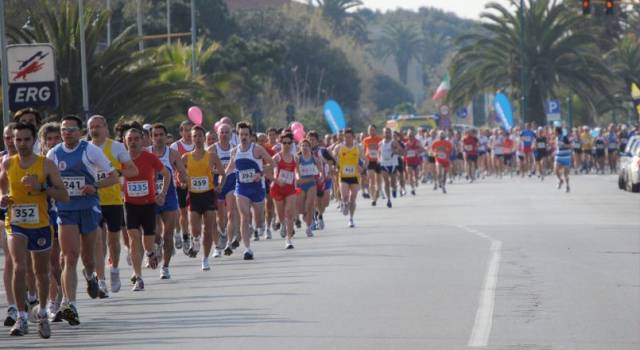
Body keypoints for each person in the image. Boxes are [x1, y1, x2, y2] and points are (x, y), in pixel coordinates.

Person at [46, 115, 119, 326]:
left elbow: (113, 176)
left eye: (71, 129)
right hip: (66, 210)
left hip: (88, 208)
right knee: (68, 256)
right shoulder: (54, 153)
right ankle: (70, 304)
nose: (67, 133)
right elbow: (48, 180)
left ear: (80, 132)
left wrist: (94, 186)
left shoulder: (90, 151)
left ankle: (90, 276)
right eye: (63, 129)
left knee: (88, 258)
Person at [0, 123, 69, 338]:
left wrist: (40, 188)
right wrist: (3, 199)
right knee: (19, 267)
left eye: (26, 139)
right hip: (16, 223)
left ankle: (41, 313)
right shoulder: (7, 164)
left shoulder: (46, 164)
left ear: (33, 141)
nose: (21, 144)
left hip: (40, 224)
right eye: (17, 139)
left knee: (41, 272)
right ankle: (21, 317)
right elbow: (2, 190)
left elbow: (63, 195)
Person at [87, 115, 139, 298]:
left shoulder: (116, 147)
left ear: (105, 127)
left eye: (98, 126)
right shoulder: (86, 148)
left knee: (113, 242)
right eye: (91, 126)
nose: (95, 129)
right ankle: (101, 281)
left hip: (114, 201)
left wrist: (118, 172)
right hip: (93, 201)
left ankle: (115, 269)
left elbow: (133, 170)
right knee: (98, 241)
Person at [122, 127, 169, 291]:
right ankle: (138, 277)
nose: (133, 142)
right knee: (134, 238)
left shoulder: (150, 157)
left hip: (149, 204)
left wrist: (162, 193)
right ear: (125, 141)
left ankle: (150, 253)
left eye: (136, 139)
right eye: (130, 139)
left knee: (147, 241)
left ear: (142, 141)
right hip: (129, 204)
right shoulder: (121, 158)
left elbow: (166, 174)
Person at [225, 122, 274, 260]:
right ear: (237, 135)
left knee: (258, 219)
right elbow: (230, 168)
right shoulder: (234, 151)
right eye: (241, 134)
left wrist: (261, 173)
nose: (244, 137)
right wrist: (220, 178)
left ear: (250, 136)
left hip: (257, 188)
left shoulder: (257, 149)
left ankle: (259, 225)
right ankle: (247, 249)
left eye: (246, 134)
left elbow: (272, 163)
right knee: (244, 217)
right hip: (241, 188)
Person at [183, 125, 225, 271]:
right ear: (191, 139)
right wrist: (181, 181)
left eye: (200, 136)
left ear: (204, 138)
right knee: (195, 229)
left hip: (208, 195)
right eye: (195, 136)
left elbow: (222, 173)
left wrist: (219, 185)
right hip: (194, 196)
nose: (198, 139)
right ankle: (195, 241)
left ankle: (205, 259)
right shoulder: (186, 157)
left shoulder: (211, 156)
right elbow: (179, 173)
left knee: (208, 229)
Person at [150, 123, 187, 279]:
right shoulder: (147, 153)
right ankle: (156, 246)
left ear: (166, 137)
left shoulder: (172, 154)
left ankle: (165, 267)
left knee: (168, 234)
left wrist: (184, 179)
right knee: (156, 233)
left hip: (169, 195)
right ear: (151, 138)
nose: (158, 138)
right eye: (155, 135)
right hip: (150, 196)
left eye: (161, 135)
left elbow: (182, 173)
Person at [215, 125, 241, 256]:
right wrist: (217, 171)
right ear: (218, 134)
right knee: (220, 217)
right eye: (222, 132)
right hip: (218, 185)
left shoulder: (235, 149)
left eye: (226, 132)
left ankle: (230, 243)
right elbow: (207, 168)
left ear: (231, 134)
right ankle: (223, 234)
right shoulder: (212, 149)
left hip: (231, 183)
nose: (224, 135)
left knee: (231, 213)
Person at [1, 123, 18, 327]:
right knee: (10, 260)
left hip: (32, 213)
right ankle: (12, 305)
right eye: (6, 137)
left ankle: (31, 296)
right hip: (6, 214)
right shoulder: (2, 160)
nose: (10, 141)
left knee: (28, 263)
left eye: (12, 136)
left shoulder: (34, 160)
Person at [170, 120, 195, 255]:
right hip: (180, 184)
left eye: (189, 130)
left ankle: (190, 236)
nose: (187, 133)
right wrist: (181, 176)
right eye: (184, 130)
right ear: (181, 132)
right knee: (183, 213)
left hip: (195, 184)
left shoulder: (198, 145)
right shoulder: (175, 146)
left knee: (194, 213)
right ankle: (183, 235)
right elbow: (172, 165)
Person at [269, 132, 298, 249]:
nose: (286, 145)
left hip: (290, 188)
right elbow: (268, 173)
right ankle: (282, 224)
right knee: (281, 216)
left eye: (288, 143)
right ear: (280, 143)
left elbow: (298, 173)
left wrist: (299, 179)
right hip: (278, 188)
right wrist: (276, 180)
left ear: (292, 144)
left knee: (289, 214)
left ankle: (289, 240)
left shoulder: (295, 158)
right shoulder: (276, 157)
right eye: (284, 142)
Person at [335, 129, 365, 227]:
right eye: (345, 137)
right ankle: (344, 203)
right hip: (343, 176)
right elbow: (333, 157)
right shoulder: (339, 147)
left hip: (355, 176)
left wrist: (363, 168)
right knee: (345, 196)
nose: (347, 139)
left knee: (353, 198)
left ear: (353, 137)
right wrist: (334, 166)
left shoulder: (358, 147)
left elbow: (366, 159)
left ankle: (351, 219)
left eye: (349, 137)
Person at [297, 139, 322, 237]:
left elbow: (320, 170)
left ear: (310, 147)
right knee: (301, 209)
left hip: (311, 183)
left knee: (309, 205)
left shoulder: (314, 158)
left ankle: (308, 227)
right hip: (301, 184)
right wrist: (298, 177)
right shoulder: (298, 158)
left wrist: (320, 176)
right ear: (300, 147)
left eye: (307, 146)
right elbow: (295, 170)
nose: (305, 147)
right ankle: (305, 217)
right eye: (303, 146)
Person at [379, 127, 403, 208]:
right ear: (383, 133)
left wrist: (395, 151)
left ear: (390, 133)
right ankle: (388, 200)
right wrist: (378, 159)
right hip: (384, 164)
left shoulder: (394, 142)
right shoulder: (380, 143)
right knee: (386, 182)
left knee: (393, 183)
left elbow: (401, 151)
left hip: (392, 164)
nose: (387, 134)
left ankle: (394, 189)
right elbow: (379, 153)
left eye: (388, 132)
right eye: (385, 132)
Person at [362, 125, 382, 206]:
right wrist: (364, 160)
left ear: (375, 130)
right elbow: (363, 151)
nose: (371, 131)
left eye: (373, 130)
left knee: (379, 182)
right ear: (368, 131)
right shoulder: (365, 140)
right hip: (370, 161)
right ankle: (373, 198)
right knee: (371, 180)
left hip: (378, 162)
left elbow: (382, 150)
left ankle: (376, 195)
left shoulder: (380, 139)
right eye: (370, 130)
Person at [404, 130, 423, 195]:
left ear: (414, 135)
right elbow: (403, 152)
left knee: (416, 175)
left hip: (416, 161)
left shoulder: (417, 142)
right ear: (407, 136)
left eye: (411, 135)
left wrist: (418, 151)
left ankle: (416, 180)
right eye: (409, 135)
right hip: (408, 161)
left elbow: (422, 149)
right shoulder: (406, 144)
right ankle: (412, 188)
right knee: (410, 175)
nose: (410, 137)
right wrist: (404, 153)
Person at [554, 127, 572, 193]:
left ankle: (567, 186)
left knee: (565, 174)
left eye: (555, 131)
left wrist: (564, 144)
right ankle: (560, 180)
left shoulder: (564, 137)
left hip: (566, 157)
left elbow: (570, 145)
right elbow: (557, 147)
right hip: (558, 156)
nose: (554, 132)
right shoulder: (556, 138)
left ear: (557, 132)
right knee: (555, 170)